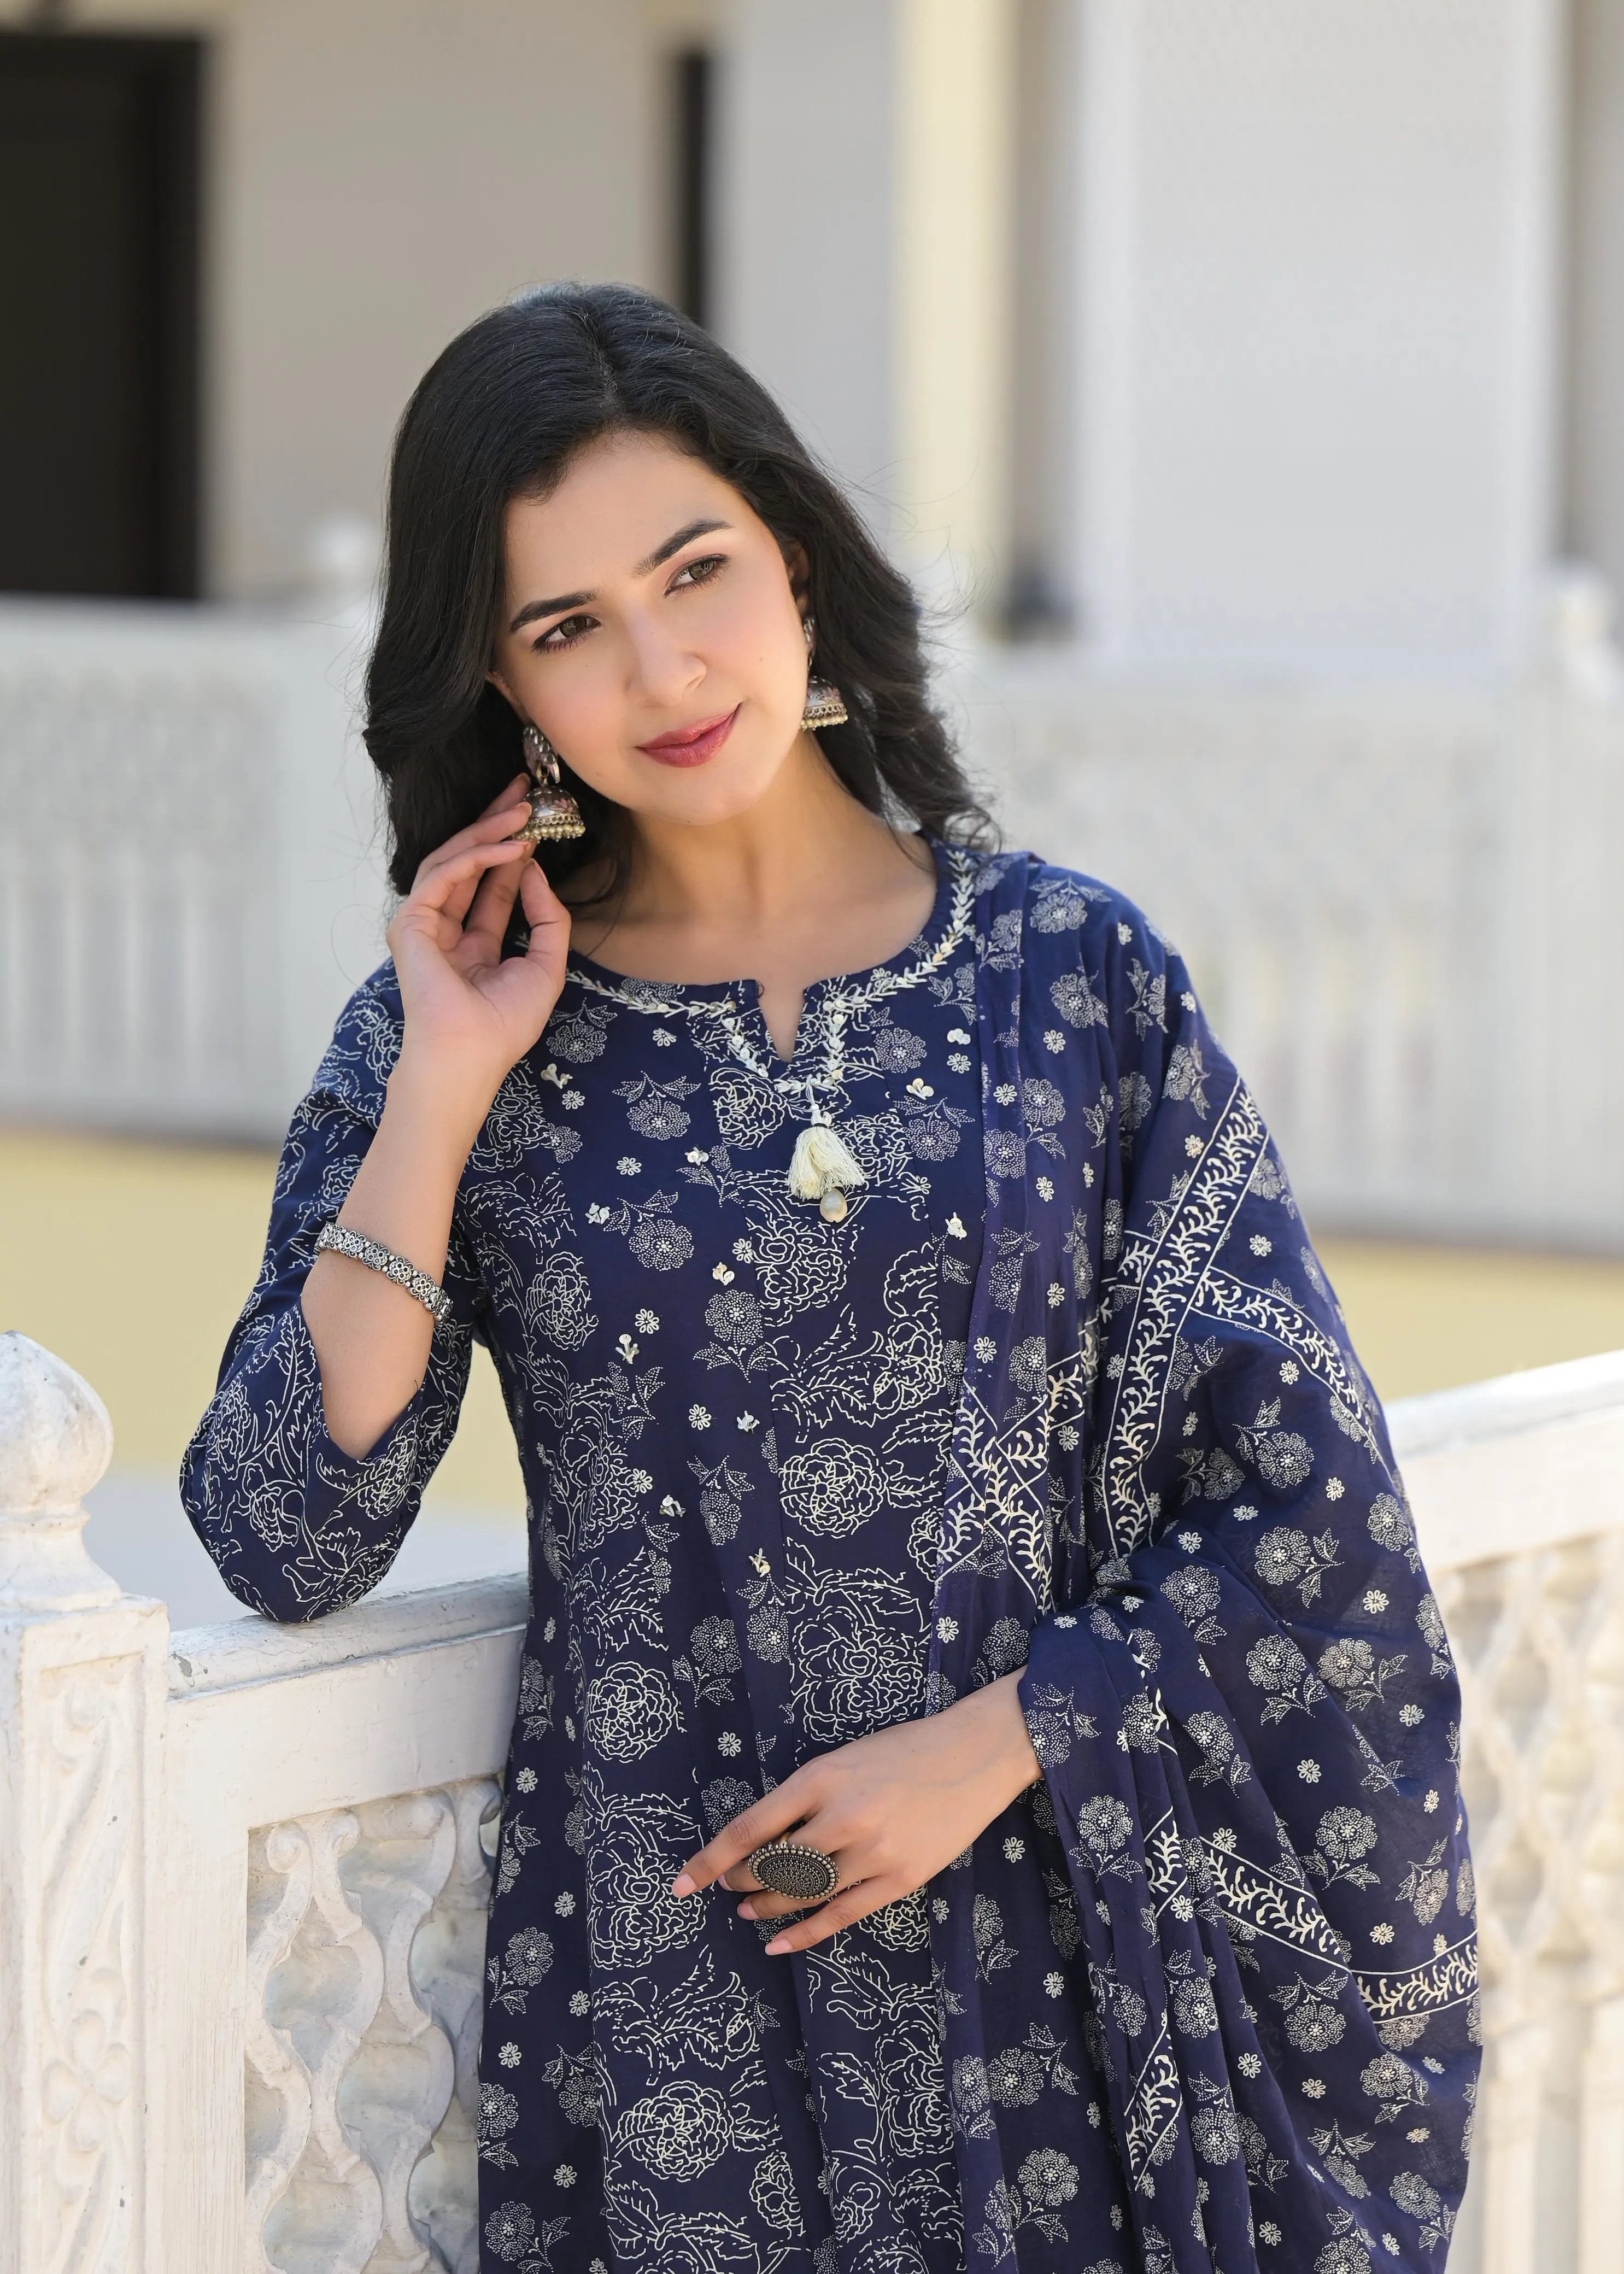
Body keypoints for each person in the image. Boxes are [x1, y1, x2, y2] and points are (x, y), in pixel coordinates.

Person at [183, 283, 1478, 2274]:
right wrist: (444, 1086)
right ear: (504, 687)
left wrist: (991, 1745)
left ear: (790, 549)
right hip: (679, 2010)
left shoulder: (1071, 976)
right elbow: (285, 1527)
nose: (661, 665)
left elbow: (1306, 1510)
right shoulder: (453, 1036)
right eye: (564, 627)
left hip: (1067, 1970)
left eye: (692, 571)